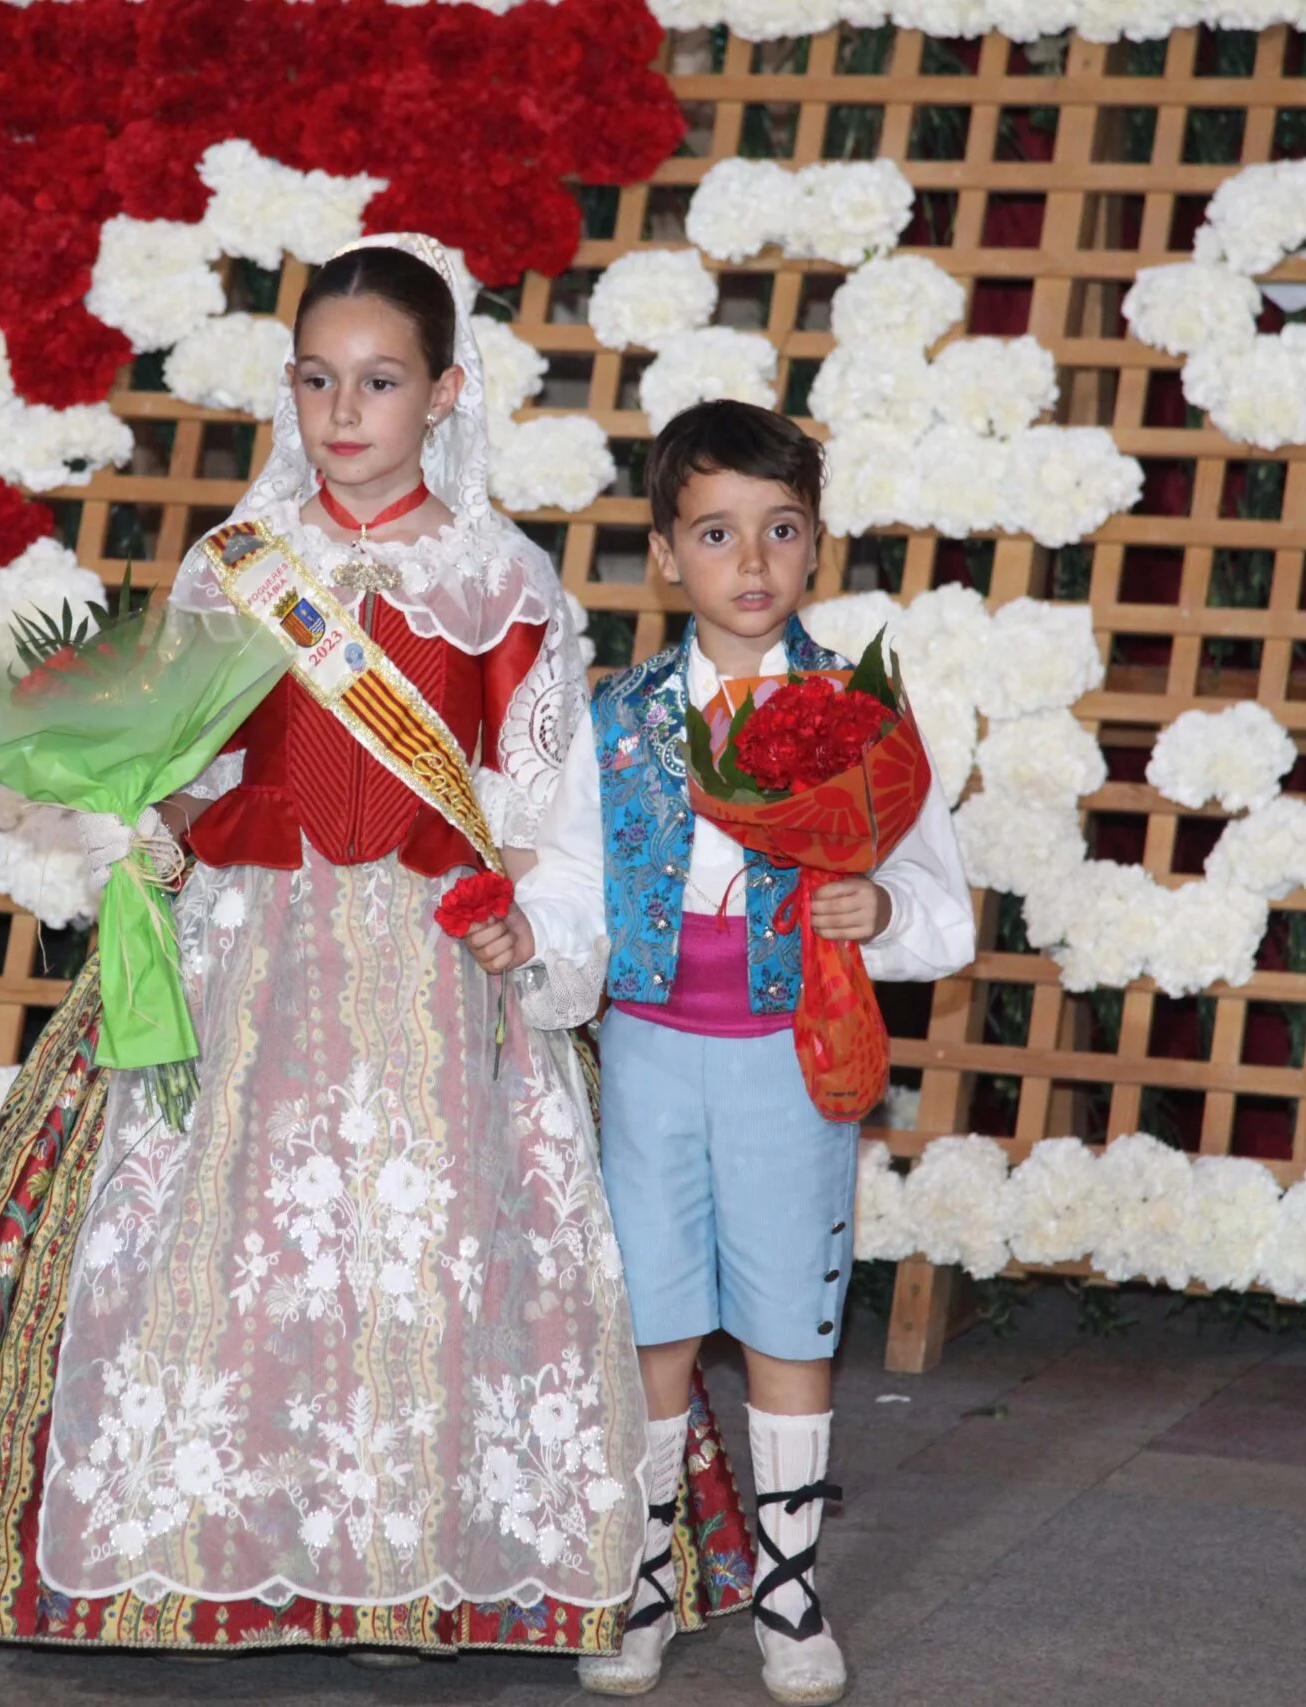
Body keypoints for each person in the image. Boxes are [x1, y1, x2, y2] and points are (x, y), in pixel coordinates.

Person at [0, 236, 757, 1659]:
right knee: (217, 1243)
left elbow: (557, 810)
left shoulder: (503, 581)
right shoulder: (239, 561)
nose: (345, 409)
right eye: (318, 377)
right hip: (247, 949)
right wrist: (153, 817)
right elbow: (190, 753)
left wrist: (538, 925)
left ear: (445, 393)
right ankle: (211, 1541)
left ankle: (425, 1552)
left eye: (380, 380)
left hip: (434, 967)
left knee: (430, 1249)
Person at [466, 400, 977, 1701]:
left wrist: (884, 911)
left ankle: (790, 1589)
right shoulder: (616, 715)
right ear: (665, 554)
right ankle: (646, 1571)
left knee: (787, 1312)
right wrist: (531, 937)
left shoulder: (856, 716)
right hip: (646, 1052)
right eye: (715, 531)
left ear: (815, 546)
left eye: (780, 529)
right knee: (651, 1314)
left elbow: (942, 905)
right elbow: (577, 885)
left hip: (788, 1058)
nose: (751, 561)